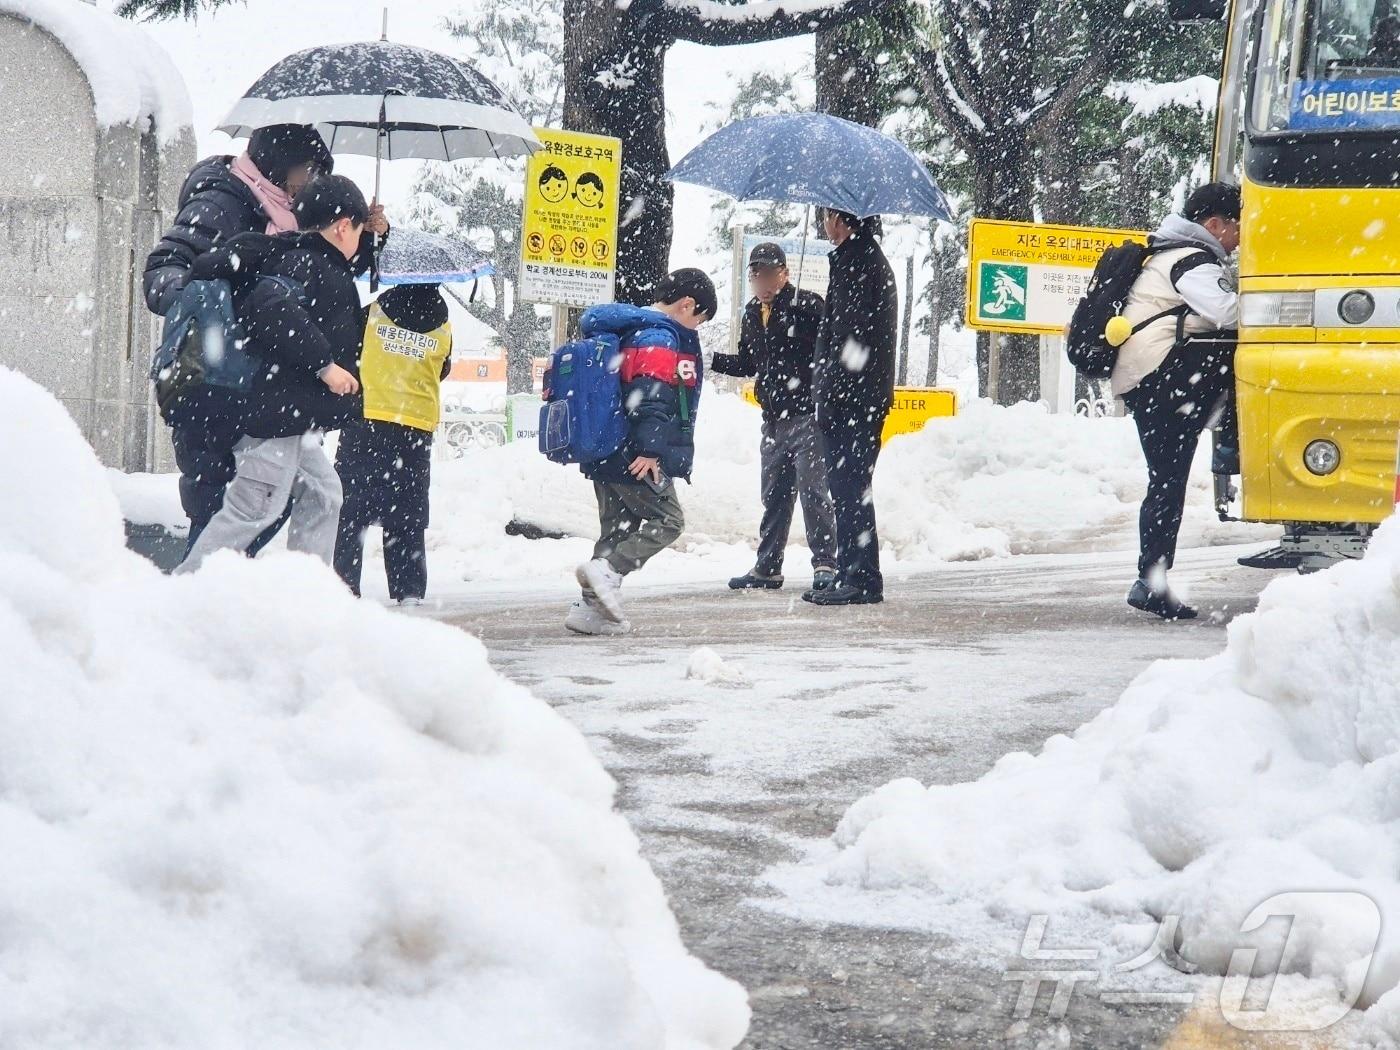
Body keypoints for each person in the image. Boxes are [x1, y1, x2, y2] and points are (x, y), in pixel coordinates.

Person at [143, 125, 387, 553]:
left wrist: (367, 235)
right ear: (276, 165)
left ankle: (278, 596)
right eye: (305, 172)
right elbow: (165, 271)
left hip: (262, 388)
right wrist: (228, 313)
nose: (308, 185)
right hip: (215, 381)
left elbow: (317, 264)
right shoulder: (222, 200)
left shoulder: (288, 219)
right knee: (232, 510)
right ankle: (195, 598)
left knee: (300, 498)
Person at [175, 175, 370, 574]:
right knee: (251, 512)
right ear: (343, 226)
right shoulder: (310, 262)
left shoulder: (305, 257)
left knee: (324, 495)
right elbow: (269, 308)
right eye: (360, 232)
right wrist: (326, 365)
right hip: (272, 418)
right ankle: (181, 594)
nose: (360, 244)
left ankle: (303, 593)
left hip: (288, 418)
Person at [1111, 182, 1241, 621]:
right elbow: (1229, 312)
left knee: (1166, 482)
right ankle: (1151, 580)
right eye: (1238, 226)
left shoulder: (1172, 252)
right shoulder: (1191, 261)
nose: (1240, 237)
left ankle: (1152, 578)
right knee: (1166, 483)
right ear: (1214, 224)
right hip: (1162, 386)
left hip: (1155, 384)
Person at [568, 268, 717, 636]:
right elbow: (652, 394)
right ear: (688, 305)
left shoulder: (623, 328)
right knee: (669, 520)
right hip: (636, 452)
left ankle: (590, 613)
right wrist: (651, 449)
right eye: (699, 319)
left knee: (616, 529)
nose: (696, 328)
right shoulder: (660, 335)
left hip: (603, 447)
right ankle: (609, 570)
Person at [711, 242, 836, 592]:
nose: (761, 280)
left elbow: (831, 350)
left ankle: (825, 564)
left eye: (768, 273)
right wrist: (713, 360)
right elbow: (750, 363)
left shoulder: (808, 305)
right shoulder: (753, 312)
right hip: (773, 419)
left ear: (784, 273)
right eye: (755, 274)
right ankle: (767, 567)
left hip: (807, 416)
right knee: (774, 495)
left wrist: (820, 392)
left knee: (814, 491)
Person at [333, 283, 453, 604]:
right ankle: (409, 591)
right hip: (415, 427)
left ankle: (344, 586)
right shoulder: (444, 324)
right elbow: (442, 369)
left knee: (352, 509)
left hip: (369, 419)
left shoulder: (371, 314)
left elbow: (346, 356)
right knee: (407, 512)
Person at [805, 209, 899, 607]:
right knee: (847, 489)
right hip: (858, 397)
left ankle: (860, 579)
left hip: (853, 400)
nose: (823, 224)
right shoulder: (856, 259)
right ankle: (853, 572)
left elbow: (850, 336)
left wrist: (829, 395)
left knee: (850, 488)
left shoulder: (859, 263)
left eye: (826, 216)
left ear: (839, 220)